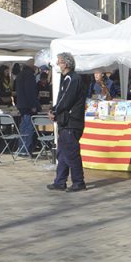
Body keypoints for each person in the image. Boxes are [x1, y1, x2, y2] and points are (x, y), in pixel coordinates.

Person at [47, 52, 87, 192]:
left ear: (66, 63)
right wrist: (54, 110)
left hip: (72, 121)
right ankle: (60, 181)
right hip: (65, 121)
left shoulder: (73, 78)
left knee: (71, 152)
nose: (57, 64)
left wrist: (55, 111)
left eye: (59, 62)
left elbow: (67, 99)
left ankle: (78, 181)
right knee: (62, 153)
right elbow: (62, 99)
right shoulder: (67, 78)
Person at [15, 61, 39, 156]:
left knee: (23, 127)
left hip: (21, 104)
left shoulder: (20, 75)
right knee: (28, 127)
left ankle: (22, 148)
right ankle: (25, 149)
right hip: (28, 105)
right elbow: (30, 92)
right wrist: (33, 105)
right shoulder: (29, 75)